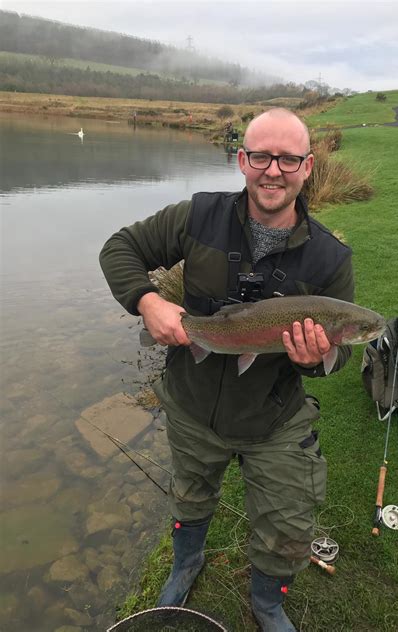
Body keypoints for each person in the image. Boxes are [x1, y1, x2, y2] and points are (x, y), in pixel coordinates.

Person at [99, 108, 354, 631]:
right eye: (262, 156)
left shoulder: (331, 257)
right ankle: (186, 562)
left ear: (308, 167)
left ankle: (267, 602)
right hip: (191, 403)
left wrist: (317, 361)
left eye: (288, 159)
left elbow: (340, 355)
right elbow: (119, 248)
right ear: (242, 160)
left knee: (287, 520)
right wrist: (147, 300)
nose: (273, 170)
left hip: (274, 417)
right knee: (191, 494)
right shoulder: (199, 215)